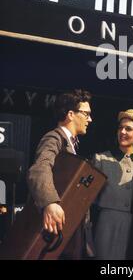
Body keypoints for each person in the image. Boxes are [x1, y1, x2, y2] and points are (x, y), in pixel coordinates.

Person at [27, 89, 92, 259]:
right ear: (71, 114)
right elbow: (39, 169)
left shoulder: (71, 143)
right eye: (86, 114)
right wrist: (50, 203)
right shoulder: (54, 138)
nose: (90, 119)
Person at [92, 109, 133, 260]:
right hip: (106, 224)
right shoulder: (100, 159)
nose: (122, 132)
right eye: (120, 128)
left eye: (128, 129)